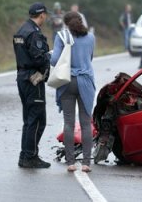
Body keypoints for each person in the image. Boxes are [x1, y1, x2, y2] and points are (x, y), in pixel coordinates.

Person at [51, 11, 95, 173]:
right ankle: (86, 163)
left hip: (67, 81)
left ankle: (70, 162)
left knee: (68, 122)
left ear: (66, 24)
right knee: (85, 123)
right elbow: (90, 58)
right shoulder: (90, 37)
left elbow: (55, 60)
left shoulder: (61, 36)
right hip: (85, 81)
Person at [13, 2, 51, 168]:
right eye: (45, 15)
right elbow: (39, 57)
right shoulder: (34, 33)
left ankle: (25, 155)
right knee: (37, 120)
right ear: (41, 14)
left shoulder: (21, 31)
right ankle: (30, 156)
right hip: (33, 78)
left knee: (29, 119)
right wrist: (50, 58)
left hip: (22, 76)